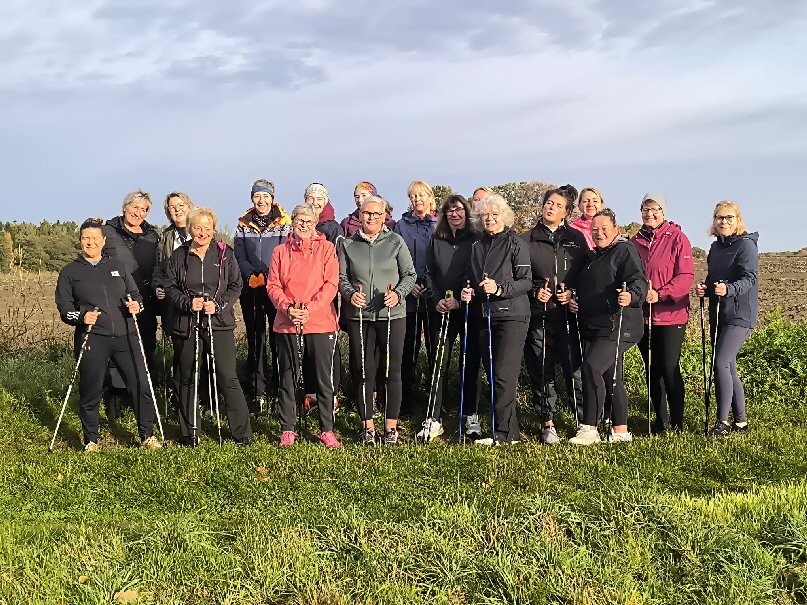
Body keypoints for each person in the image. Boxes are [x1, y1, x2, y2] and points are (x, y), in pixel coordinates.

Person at [55, 218, 159, 450]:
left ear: (103, 241)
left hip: (126, 335)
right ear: (80, 241)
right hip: (92, 337)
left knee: (141, 385)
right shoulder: (69, 272)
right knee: (91, 390)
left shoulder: (118, 267)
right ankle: (91, 439)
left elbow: (136, 296)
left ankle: (147, 435)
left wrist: (137, 307)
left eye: (94, 238)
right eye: (85, 238)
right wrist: (81, 317)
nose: (90, 242)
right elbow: (65, 310)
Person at [165, 207, 253, 446]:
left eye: (207, 227)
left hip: (219, 323)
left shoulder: (225, 253)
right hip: (187, 323)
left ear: (214, 229)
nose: (202, 232)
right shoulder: (178, 255)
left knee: (227, 376)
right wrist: (187, 302)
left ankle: (242, 433)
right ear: (190, 228)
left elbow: (236, 285)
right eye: (197, 227)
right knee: (187, 377)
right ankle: (189, 432)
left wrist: (219, 304)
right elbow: (170, 287)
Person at [338, 196, 416, 445]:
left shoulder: (395, 241)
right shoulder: (347, 244)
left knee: (392, 371)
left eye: (376, 214)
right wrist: (350, 295)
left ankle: (391, 428)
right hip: (359, 317)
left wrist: (398, 294)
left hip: (392, 316)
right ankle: (368, 427)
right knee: (363, 372)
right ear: (359, 216)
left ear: (384, 216)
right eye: (366, 213)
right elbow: (341, 278)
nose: (371, 218)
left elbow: (409, 274)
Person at [569, 208, 647, 445]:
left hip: (619, 325)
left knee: (591, 368)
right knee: (612, 376)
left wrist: (631, 297)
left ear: (615, 229)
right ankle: (620, 431)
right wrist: (575, 300)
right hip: (595, 325)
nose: (599, 233)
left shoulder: (624, 250)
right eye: (595, 230)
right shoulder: (594, 257)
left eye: (604, 229)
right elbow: (587, 287)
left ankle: (590, 428)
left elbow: (638, 281)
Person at [267, 204, 341, 448]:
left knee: (323, 380)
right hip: (287, 323)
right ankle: (288, 428)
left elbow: (331, 284)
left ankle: (326, 430)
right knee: (287, 378)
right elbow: (273, 286)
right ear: (293, 221)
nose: (304, 224)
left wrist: (309, 309)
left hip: (320, 322)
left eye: (309, 220)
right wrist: (288, 308)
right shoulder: (280, 251)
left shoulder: (327, 248)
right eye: (300, 220)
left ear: (315, 222)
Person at [460, 194, 532, 445]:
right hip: (483, 314)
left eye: (494, 214)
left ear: (504, 216)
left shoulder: (516, 242)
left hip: (512, 316)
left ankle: (501, 433)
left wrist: (500, 288)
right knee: (493, 375)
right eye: (485, 215)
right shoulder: (477, 245)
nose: (489, 218)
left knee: (504, 374)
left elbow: (526, 280)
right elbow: (471, 277)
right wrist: (467, 291)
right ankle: (508, 432)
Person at [521, 187, 589, 444]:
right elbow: (519, 278)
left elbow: (585, 275)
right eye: (548, 203)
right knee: (542, 369)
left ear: (566, 212)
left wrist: (572, 293)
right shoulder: (525, 239)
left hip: (569, 318)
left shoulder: (577, 239)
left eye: (557, 205)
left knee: (576, 369)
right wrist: (536, 291)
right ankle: (547, 422)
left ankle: (583, 422)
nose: (550, 208)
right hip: (539, 316)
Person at [417, 194, 482, 441]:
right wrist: (438, 300)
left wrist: (460, 298)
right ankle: (434, 417)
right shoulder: (437, 239)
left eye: (459, 210)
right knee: (438, 363)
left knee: (469, 363)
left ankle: (470, 415)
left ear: (466, 212)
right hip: (441, 309)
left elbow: (476, 272)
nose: (455, 214)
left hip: (467, 308)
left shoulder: (476, 239)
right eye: (449, 211)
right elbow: (429, 273)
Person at [631, 193, 695, 434]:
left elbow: (686, 276)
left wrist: (660, 293)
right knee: (652, 370)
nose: (650, 214)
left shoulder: (678, 238)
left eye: (655, 209)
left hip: (671, 315)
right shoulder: (635, 241)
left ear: (663, 211)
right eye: (646, 209)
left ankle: (677, 423)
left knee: (668, 367)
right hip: (643, 315)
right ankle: (660, 421)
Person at [696, 201, 758, 436]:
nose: (724, 222)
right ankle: (740, 422)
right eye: (720, 218)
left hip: (741, 314)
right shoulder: (715, 248)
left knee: (720, 362)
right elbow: (714, 278)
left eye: (729, 218)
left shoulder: (746, 246)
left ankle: (721, 422)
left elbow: (749, 278)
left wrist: (729, 289)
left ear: (737, 220)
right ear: (714, 221)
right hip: (719, 312)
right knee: (729, 366)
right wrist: (707, 288)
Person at [234, 180, 293, 410]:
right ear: (252, 199)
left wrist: (269, 276)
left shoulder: (283, 222)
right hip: (251, 288)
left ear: (272, 198)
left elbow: (284, 253)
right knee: (255, 340)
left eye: (265, 196)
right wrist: (250, 274)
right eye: (257, 196)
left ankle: (280, 391)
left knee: (278, 339)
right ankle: (257, 391)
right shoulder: (243, 223)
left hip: (276, 288)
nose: (261, 201)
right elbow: (239, 253)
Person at [102, 189, 160, 418]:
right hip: (115, 301)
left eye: (144, 209)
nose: (138, 212)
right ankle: (116, 402)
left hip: (144, 301)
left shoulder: (153, 236)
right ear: (125, 206)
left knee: (146, 348)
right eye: (135, 207)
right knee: (117, 351)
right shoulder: (107, 230)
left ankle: (144, 401)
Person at [152, 192, 203, 412]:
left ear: (190, 206)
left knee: (204, 351)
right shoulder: (165, 237)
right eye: (172, 207)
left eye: (181, 205)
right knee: (180, 352)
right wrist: (158, 287)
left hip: (202, 303)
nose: (177, 210)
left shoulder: (203, 231)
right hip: (174, 304)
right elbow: (158, 269)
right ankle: (181, 401)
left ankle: (205, 398)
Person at [300, 183, 344, 413]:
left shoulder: (333, 228)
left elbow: (335, 263)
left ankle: (330, 395)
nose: (314, 202)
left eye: (319, 198)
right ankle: (311, 393)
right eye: (310, 198)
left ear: (325, 201)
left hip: (325, 295)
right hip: (302, 298)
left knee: (327, 347)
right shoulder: (300, 225)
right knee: (306, 345)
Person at [395, 180, 438, 416]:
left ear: (430, 198)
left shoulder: (440, 223)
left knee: (434, 350)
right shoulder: (401, 225)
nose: (417, 200)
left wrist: (431, 284)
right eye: (413, 196)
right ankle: (405, 403)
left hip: (433, 297)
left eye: (421, 195)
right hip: (408, 297)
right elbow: (397, 258)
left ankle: (435, 404)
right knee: (407, 351)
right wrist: (408, 284)